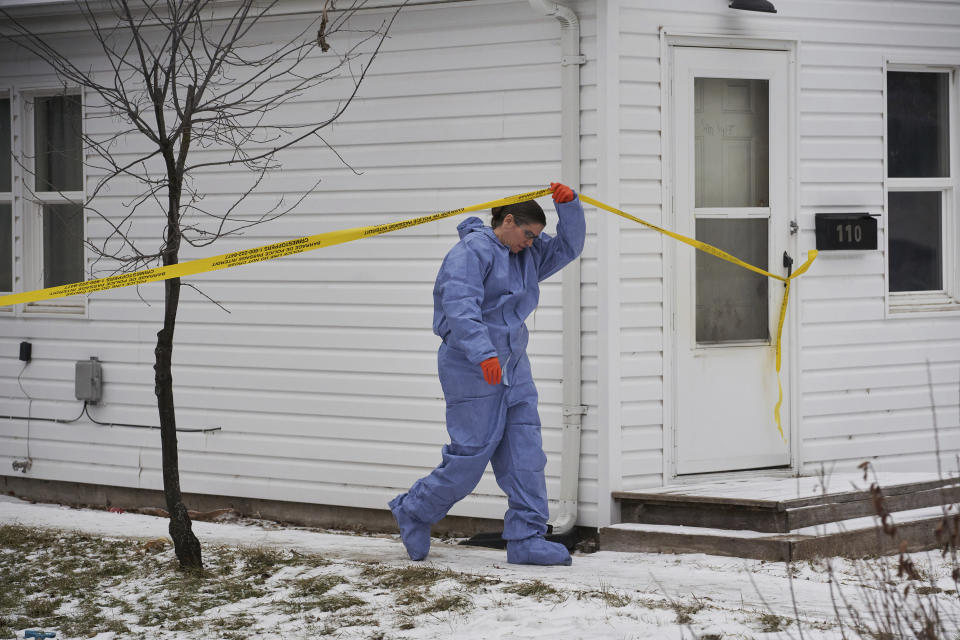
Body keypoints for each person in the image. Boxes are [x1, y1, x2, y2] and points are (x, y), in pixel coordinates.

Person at [389, 182, 585, 566]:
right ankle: (414, 510)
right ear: (507, 221)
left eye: (535, 238)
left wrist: (570, 208)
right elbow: (461, 308)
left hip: (513, 365)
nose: (531, 243)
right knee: (470, 458)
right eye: (528, 234)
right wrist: (482, 354)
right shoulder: (469, 253)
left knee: (525, 454)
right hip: (470, 366)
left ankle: (527, 537)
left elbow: (568, 248)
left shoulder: (527, 255)